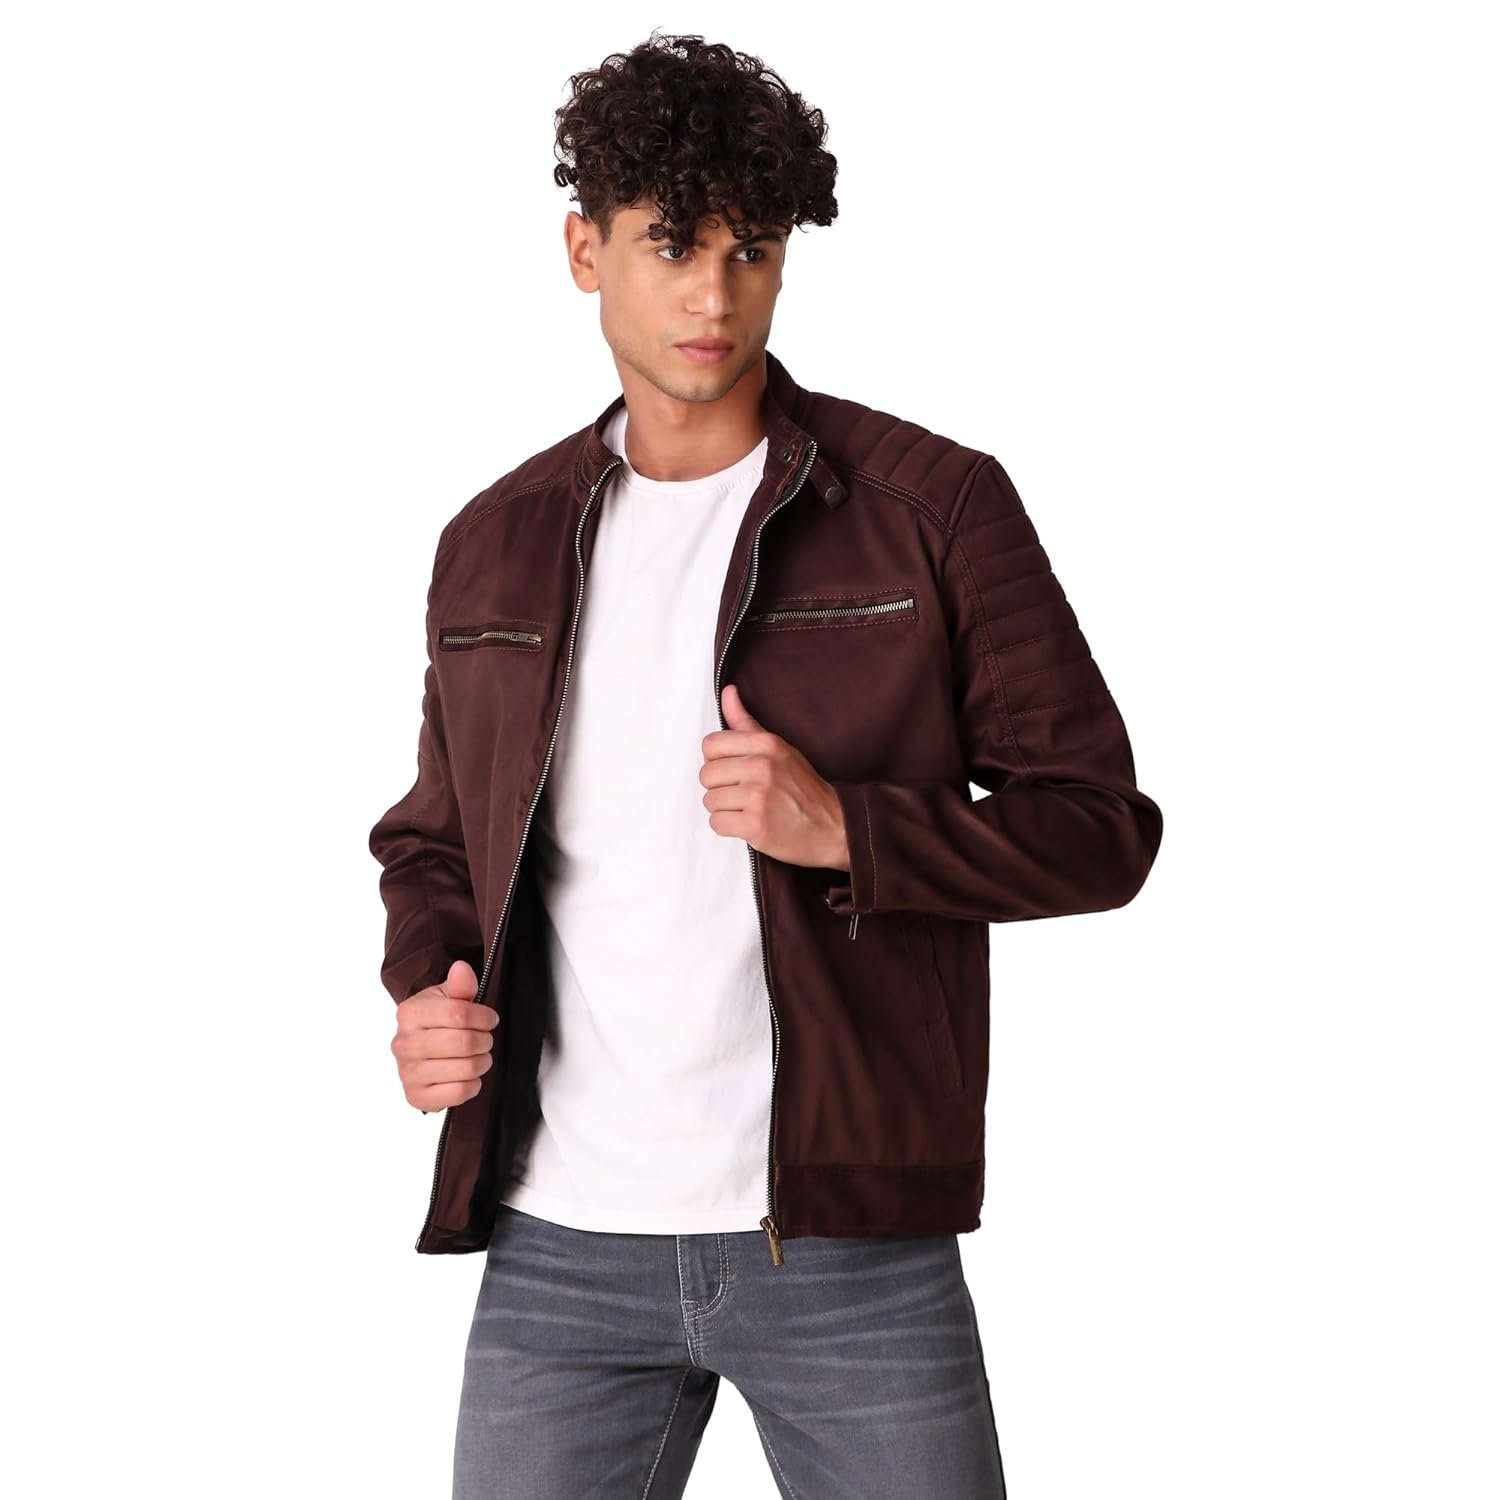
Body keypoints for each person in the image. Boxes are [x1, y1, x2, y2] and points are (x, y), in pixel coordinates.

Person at [367, 30, 1163, 1498]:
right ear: (584, 251)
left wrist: (850, 829)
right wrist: (430, 986)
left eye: (752, 248)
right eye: (671, 245)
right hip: (558, 1247)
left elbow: (1100, 827)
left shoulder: (931, 508)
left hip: (849, 1245)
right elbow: (435, 844)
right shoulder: (494, 543)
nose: (714, 295)